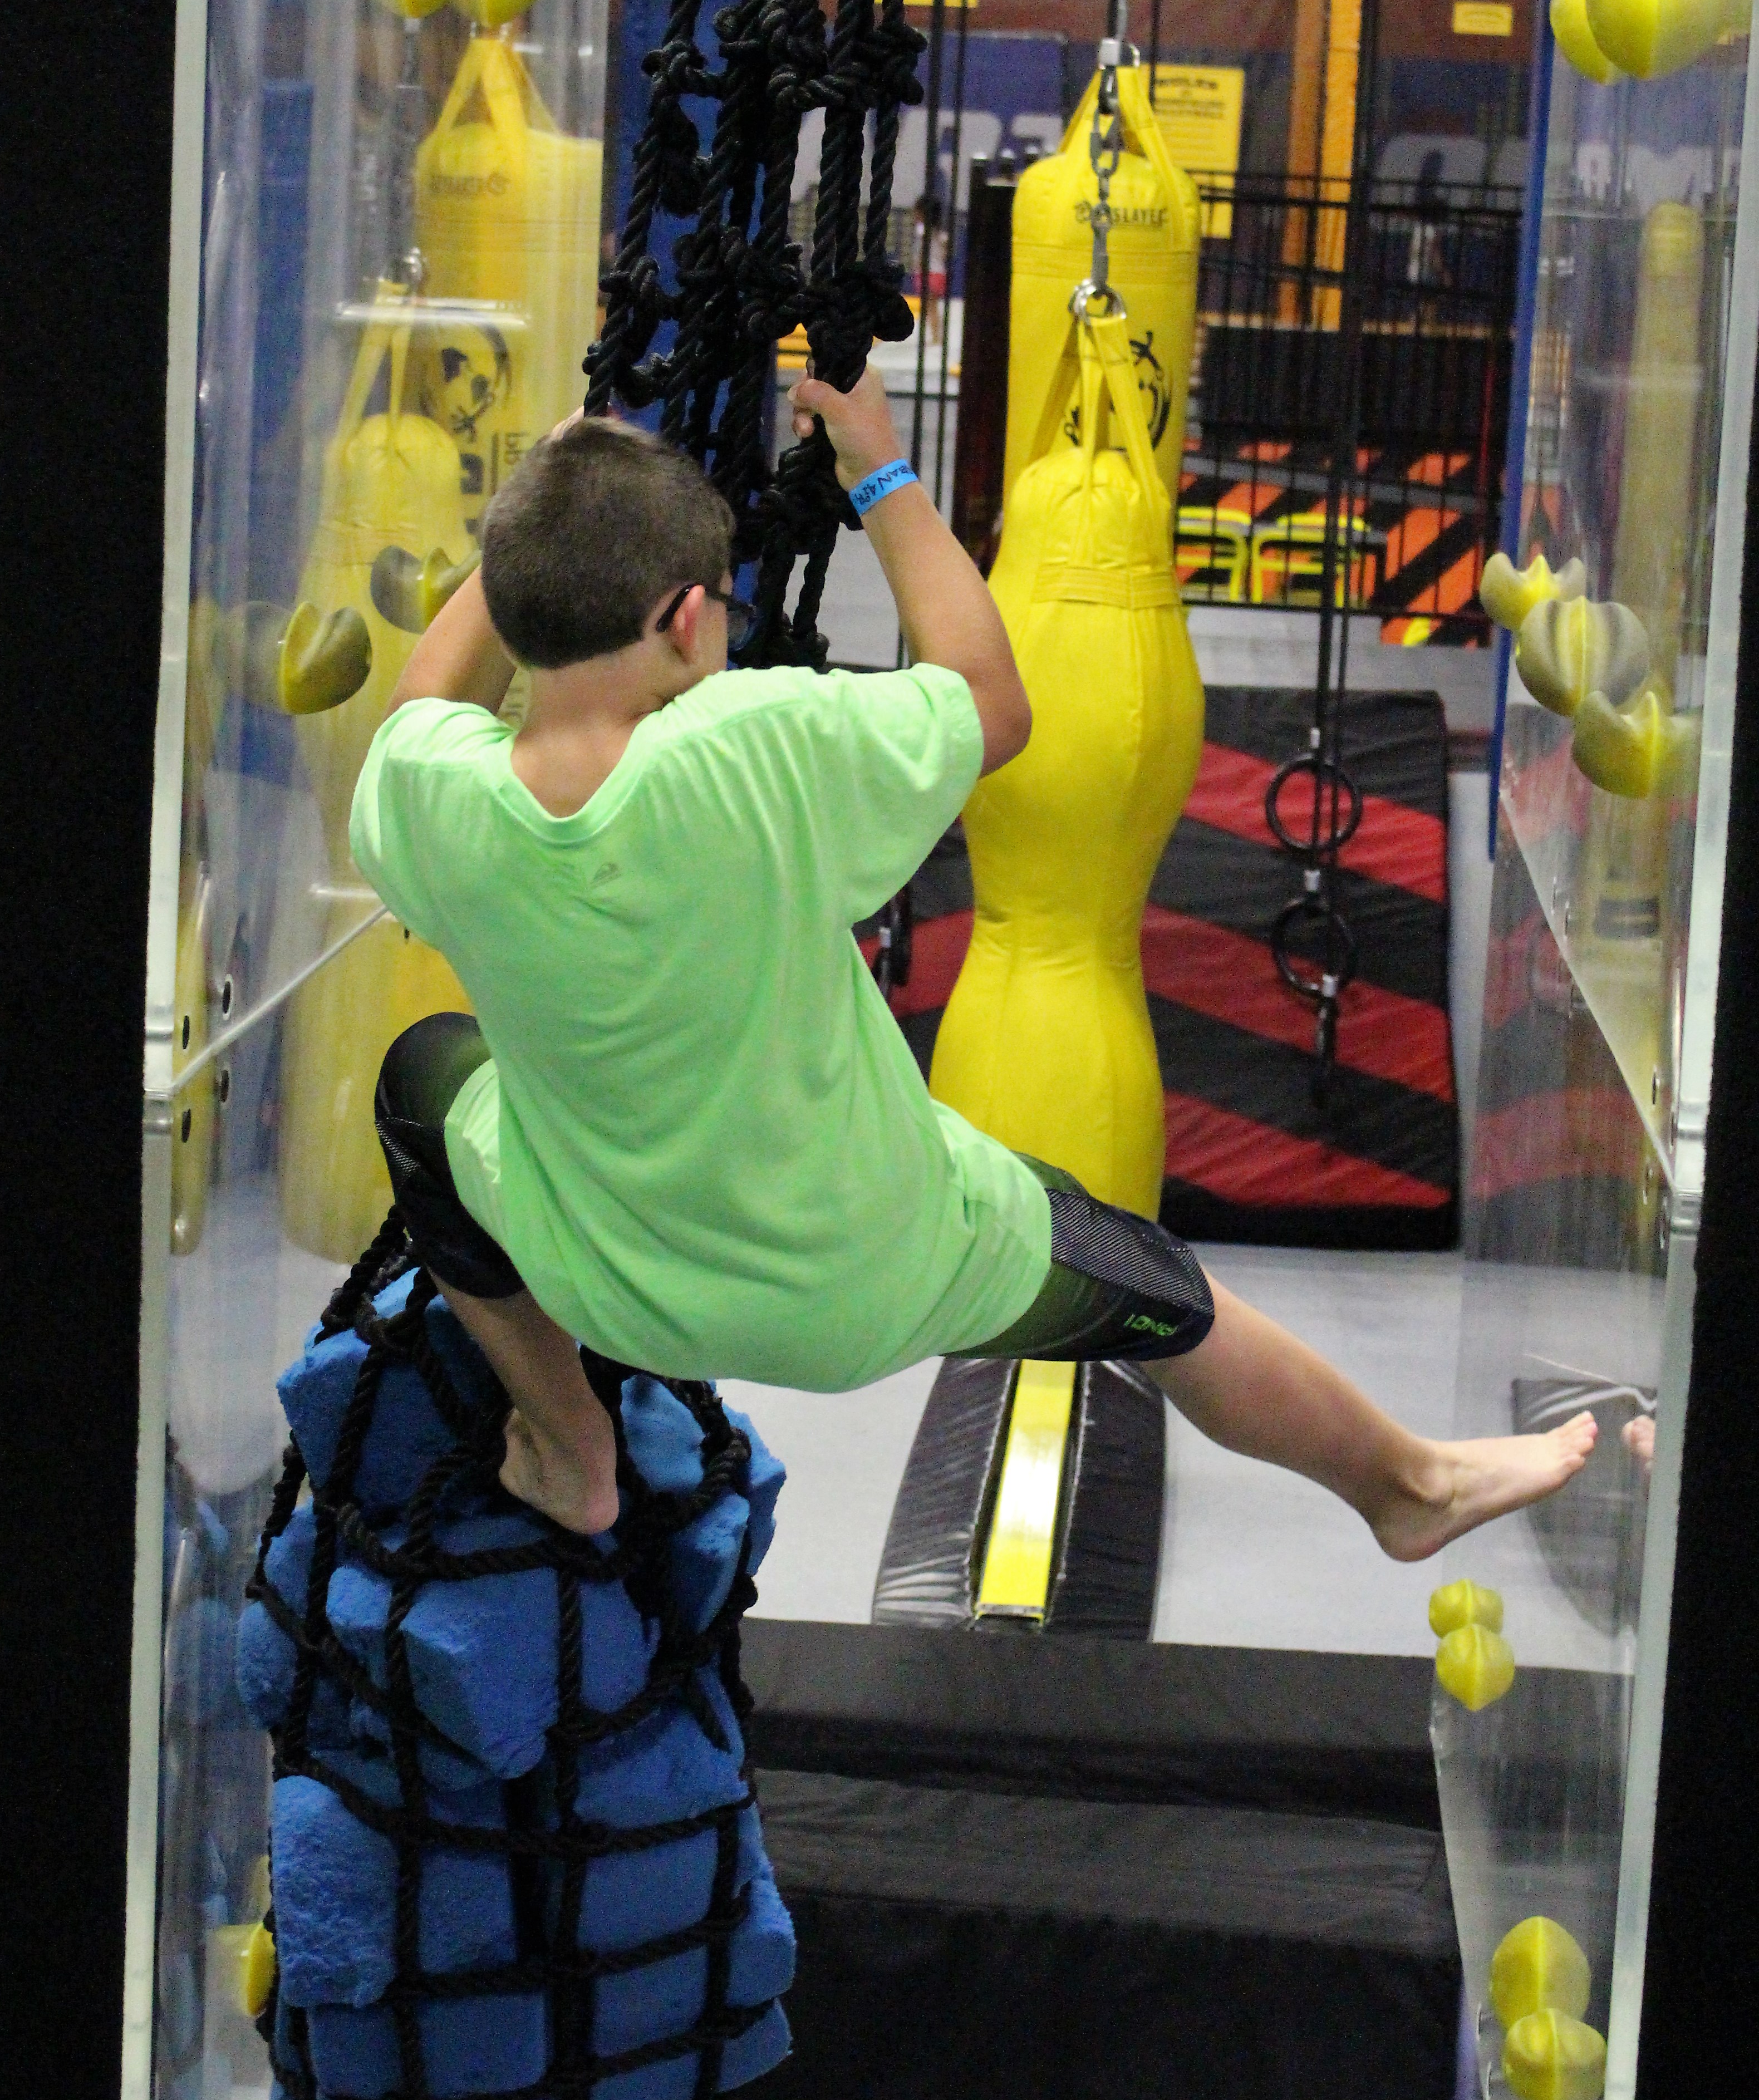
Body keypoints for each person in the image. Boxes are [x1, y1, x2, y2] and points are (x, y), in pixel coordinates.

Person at [350, 371, 1595, 1546]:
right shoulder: (747, 747)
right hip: (873, 1277)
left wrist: (534, 527)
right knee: (1164, 1295)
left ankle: (571, 1445)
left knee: (422, 1079)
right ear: (686, 619)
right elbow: (993, 704)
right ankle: (1408, 1487)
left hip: (611, 1289)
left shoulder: (428, 790)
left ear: (513, 602)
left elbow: (422, 702)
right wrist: (881, 469)